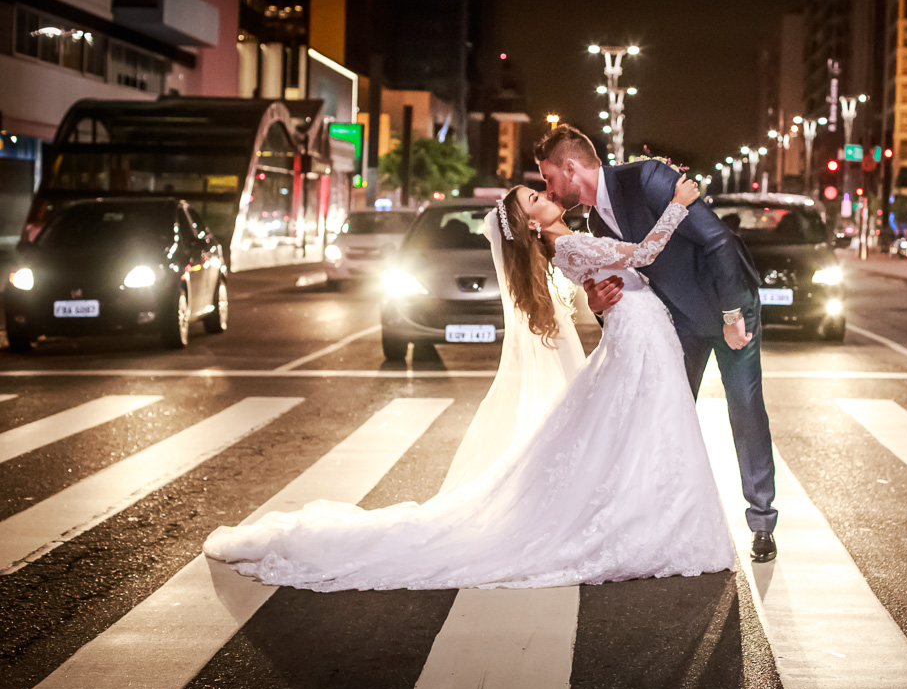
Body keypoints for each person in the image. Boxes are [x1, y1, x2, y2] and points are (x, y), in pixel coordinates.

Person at [203, 176, 735, 591]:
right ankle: (657, 525)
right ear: (530, 226)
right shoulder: (569, 247)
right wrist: (679, 204)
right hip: (640, 336)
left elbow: (622, 273)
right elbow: (642, 254)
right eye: (534, 199)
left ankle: (658, 518)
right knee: (651, 424)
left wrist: (602, 296)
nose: (546, 196)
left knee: (649, 428)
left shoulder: (572, 242)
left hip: (642, 332)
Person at [535, 125, 778, 562]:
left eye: (549, 177)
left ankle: (762, 520)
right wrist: (597, 301)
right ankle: (670, 519)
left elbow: (718, 241)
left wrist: (730, 315)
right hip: (678, 318)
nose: (548, 187)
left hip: (730, 304)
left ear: (570, 168)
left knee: (744, 405)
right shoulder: (592, 220)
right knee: (670, 412)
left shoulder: (647, 177)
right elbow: (626, 275)